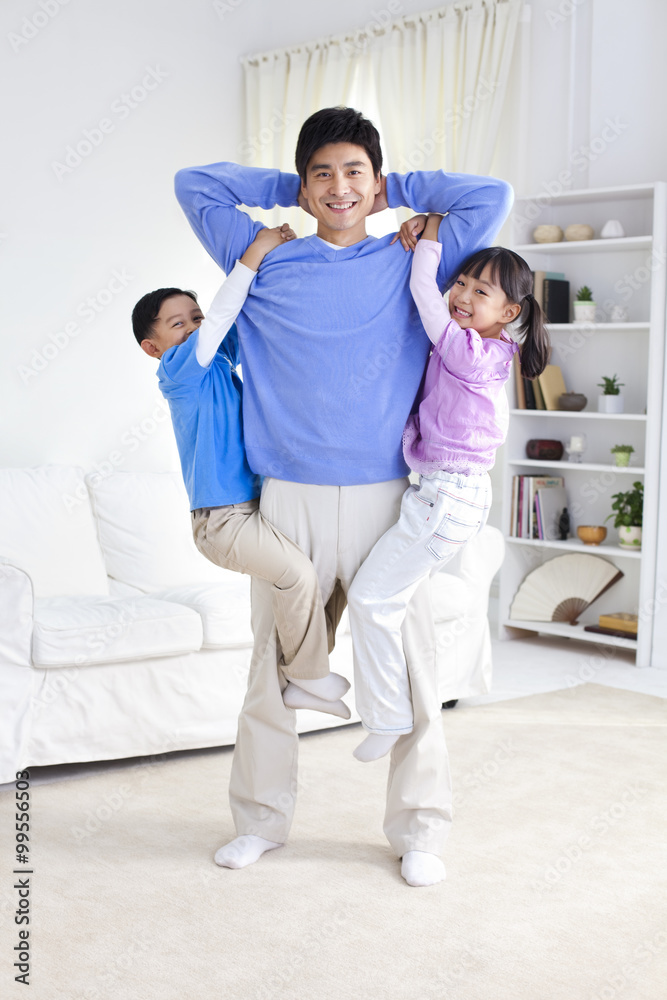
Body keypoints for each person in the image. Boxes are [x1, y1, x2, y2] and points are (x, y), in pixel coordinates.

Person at [175, 106, 514, 886]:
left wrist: (397, 192)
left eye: (354, 172)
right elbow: (194, 184)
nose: (338, 187)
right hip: (285, 496)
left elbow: (488, 195)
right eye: (321, 173)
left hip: (388, 499)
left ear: (376, 181)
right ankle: (259, 822)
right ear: (303, 184)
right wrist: (287, 190)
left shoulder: (413, 260)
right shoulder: (264, 256)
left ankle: (420, 829)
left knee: (412, 664)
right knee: (271, 672)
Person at [131, 223, 352, 730]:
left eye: (195, 317)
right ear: (153, 346)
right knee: (299, 575)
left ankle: (303, 670)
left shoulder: (217, 366)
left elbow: (248, 315)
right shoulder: (177, 373)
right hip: (222, 521)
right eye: (177, 324)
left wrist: (292, 262)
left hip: (258, 507)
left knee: (334, 569)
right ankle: (308, 675)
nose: (192, 327)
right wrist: (256, 250)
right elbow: (224, 314)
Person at [348, 212, 550, 762]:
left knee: (370, 599)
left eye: (480, 291)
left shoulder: (470, 352)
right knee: (393, 601)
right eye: (460, 282)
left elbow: (423, 291)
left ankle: (388, 716)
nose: (460, 295)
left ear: (508, 312)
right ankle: (401, 708)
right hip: (450, 495)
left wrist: (433, 230)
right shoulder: (490, 350)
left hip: (448, 497)